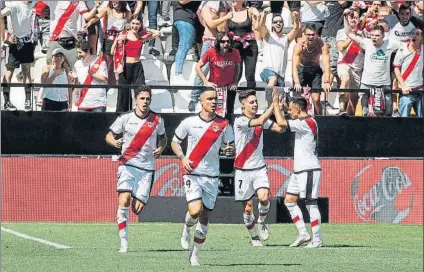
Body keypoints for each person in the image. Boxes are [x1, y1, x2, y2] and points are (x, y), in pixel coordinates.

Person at [171, 89, 235, 266]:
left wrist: (230, 151)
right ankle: (186, 228)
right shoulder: (189, 122)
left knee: (205, 216)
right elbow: (174, 142)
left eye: (215, 99)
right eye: (209, 99)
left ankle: (195, 254)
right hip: (193, 172)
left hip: (212, 175)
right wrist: (183, 158)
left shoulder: (224, 124)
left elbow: (230, 147)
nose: (213, 102)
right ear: (201, 101)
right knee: (194, 211)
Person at [105, 86, 167, 253]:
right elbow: (109, 135)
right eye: (142, 98)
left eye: (148, 99)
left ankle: (134, 205)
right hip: (127, 164)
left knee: (136, 208)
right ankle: (123, 242)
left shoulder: (157, 120)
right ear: (136, 100)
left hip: (147, 169)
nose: (145, 101)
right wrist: (114, 142)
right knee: (123, 200)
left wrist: (160, 149)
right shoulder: (125, 118)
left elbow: (163, 139)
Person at [233, 89, 285, 247]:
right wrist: (273, 105)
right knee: (248, 209)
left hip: (259, 168)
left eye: (256, 102)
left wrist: (278, 109)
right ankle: (254, 236)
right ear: (243, 106)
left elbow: (281, 128)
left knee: (264, 198)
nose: (255, 104)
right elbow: (260, 122)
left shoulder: (261, 119)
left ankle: (262, 221)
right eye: (251, 102)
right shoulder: (240, 121)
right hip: (242, 170)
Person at [272, 97, 323, 248]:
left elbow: (281, 123)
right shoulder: (305, 122)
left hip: (308, 169)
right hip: (299, 170)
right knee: (289, 200)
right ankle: (303, 234)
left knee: (311, 204)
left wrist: (275, 104)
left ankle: (317, 239)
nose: (289, 112)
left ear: (299, 109)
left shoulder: (306, 122)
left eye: (291, 109)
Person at [344, 13, 402, 116]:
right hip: (367, 83)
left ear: (383, 36)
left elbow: (407, 45)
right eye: (372, 35)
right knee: (365, 113)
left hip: (384, 84)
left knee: (388, 113)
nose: (374, 38)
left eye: (377, 35)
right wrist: (345, 17)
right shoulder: (366, 42)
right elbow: (349, 33)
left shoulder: (391, 44)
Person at [189, 1, 233, 112]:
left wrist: (225, 13)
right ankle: (194, 99)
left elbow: (222, 29)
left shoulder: (224, 7)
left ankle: (221, 101)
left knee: (222, 71)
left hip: (222, 43)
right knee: (202, 70)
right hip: (210, 42)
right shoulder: (206, 8)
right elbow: (211, 24)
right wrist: (226, 16)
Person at [111, 17, 160, 112]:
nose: (135, 26)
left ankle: (141, 112)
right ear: (129, 24)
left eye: (137, 24)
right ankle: (122, 114)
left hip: (137, 66)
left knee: (141, 90)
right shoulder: (123, 36)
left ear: (140, 25)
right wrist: (117, 40)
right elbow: (112, 52)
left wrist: (145, 29)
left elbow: (157, 33)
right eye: (133, 23)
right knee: (123, 93)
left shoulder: (141, 36)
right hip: (125, 67)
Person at [257, 8, 300, 105]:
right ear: (272, 24)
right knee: (273, 79)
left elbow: (295, 29)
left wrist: (296, 18)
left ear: (283, 24)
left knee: (281, 101)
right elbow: (261, 26)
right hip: (268, 70)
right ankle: (268, 105)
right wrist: (264, 14)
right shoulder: (268, 36)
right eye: (275, 22)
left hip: (281, 74)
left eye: (280, 22)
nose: (278, 23)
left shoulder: (286, 39)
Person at [1, 1, 37, 111]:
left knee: (26, 71)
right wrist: (4, 38)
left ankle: (28, 101)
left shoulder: (32, 3)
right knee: (9, 72)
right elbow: (2, 14)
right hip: (14, 43)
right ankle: (6, 102)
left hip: (26, 42)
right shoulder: (15, 4)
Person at [195, 32, 240, 118]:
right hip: (214, 88)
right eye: (223, 42)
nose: (226, 44)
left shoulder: (235, 52)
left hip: (229, 88)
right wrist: (206, 81)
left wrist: (235, 82)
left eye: (228, 41)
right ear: (218, 43)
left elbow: (238, 68)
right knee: (213, 112)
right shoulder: (211, 52)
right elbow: (198, 67)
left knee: (229, 112)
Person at [292, 24, 332, 115]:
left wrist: (326, 81)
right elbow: (294, 66)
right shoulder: (299, 45)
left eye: (313, 35)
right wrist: (296, 81)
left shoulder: (322, 45)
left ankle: (319, 120)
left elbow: (326, 64)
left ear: (316, 35)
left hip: (315, 70)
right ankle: (298, 119)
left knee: (316, 99)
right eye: (308, 35)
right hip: (301, 70)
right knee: (299, 100)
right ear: (304, 35)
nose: (311, 37)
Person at [336, 8, 364, 116]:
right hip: (344, 62)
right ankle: (342, 109)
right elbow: (341, 47)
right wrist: (352, 35)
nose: (353, 19)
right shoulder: (341, 32)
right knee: (345, 80)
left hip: (357, 67)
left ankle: (350, 118)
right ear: (347, 18)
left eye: (356, 17)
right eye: (351, 17)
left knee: (354, 97)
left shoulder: (363, 33)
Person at [69, 40, 108, 112]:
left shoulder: (100, 61)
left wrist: (92, 74)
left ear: (88, 51)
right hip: (83, 103)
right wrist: (75, 79)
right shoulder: (77, 64)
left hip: (98, 103)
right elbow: (77, 86)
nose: (78, 55)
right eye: (77, 52)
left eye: (80, 52)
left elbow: (104, 79)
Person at [393, 28, 423, 117]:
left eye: (417, 34)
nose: (414, 35)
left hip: (420, 90)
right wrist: (403, 85)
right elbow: (396, 68)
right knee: (404, 119)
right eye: (412, 33)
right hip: (405, 90)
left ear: (421, 37)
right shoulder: (402, 49)